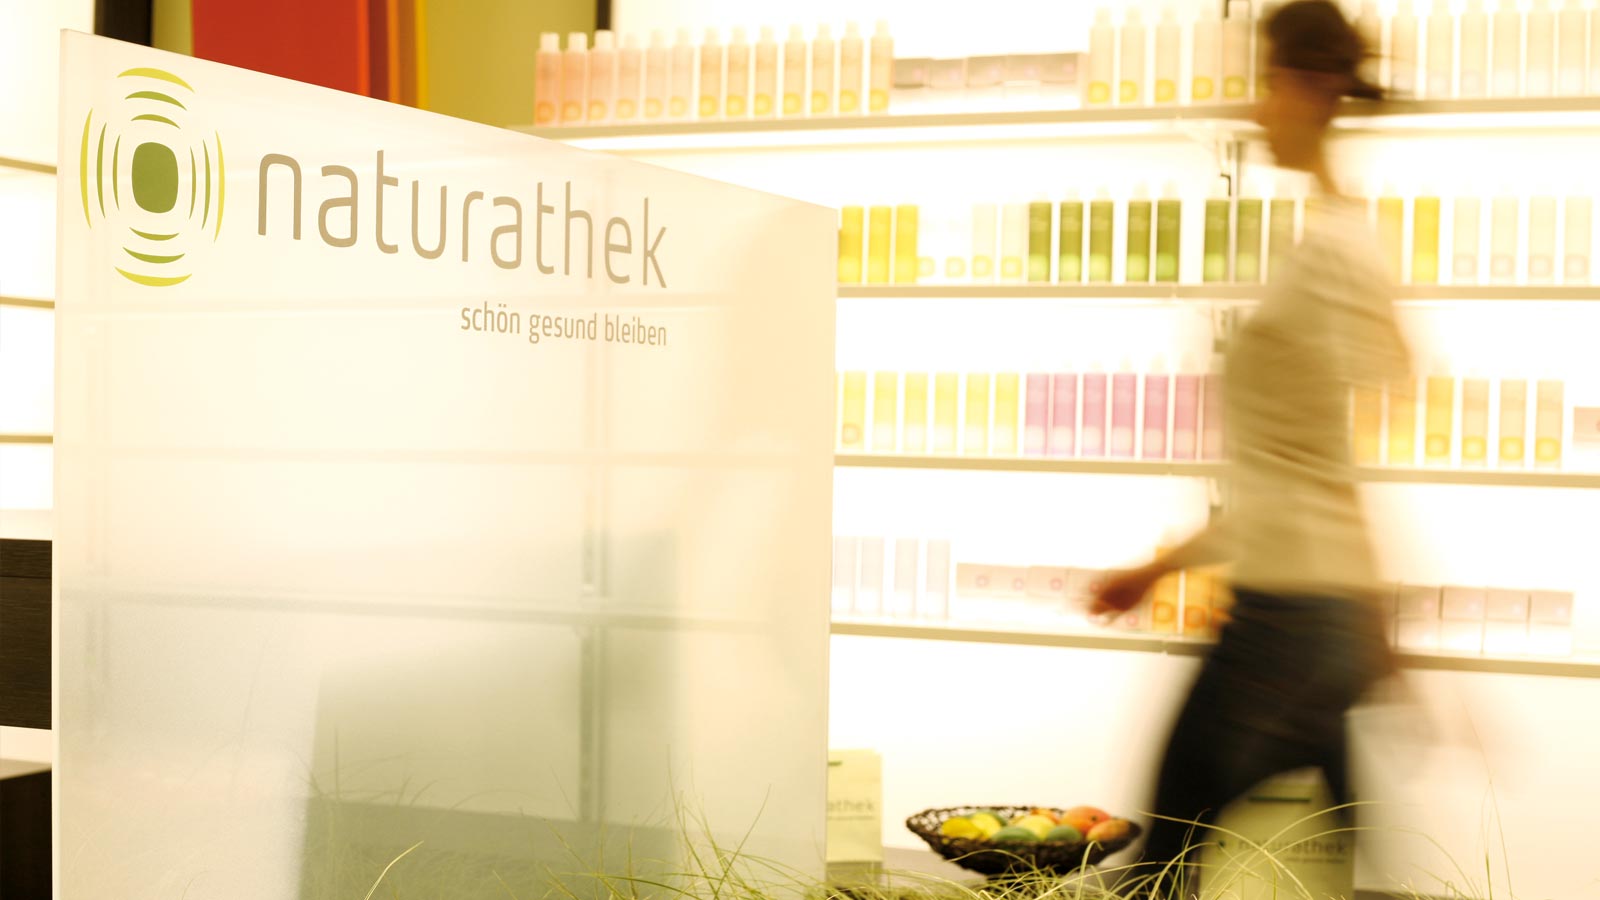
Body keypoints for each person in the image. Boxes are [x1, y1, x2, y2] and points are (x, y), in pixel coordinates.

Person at [1089, 1, 1412, 895]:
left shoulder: (1335, 253)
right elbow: (1306, 467)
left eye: (1264, 82)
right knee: (1344, 864)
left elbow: (1317, 464)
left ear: (1307, 86)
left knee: (1163, 862)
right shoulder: (1338, 237)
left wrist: (1160, 569)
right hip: (1317, 614)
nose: (1254, 108)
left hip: (1289, 618)